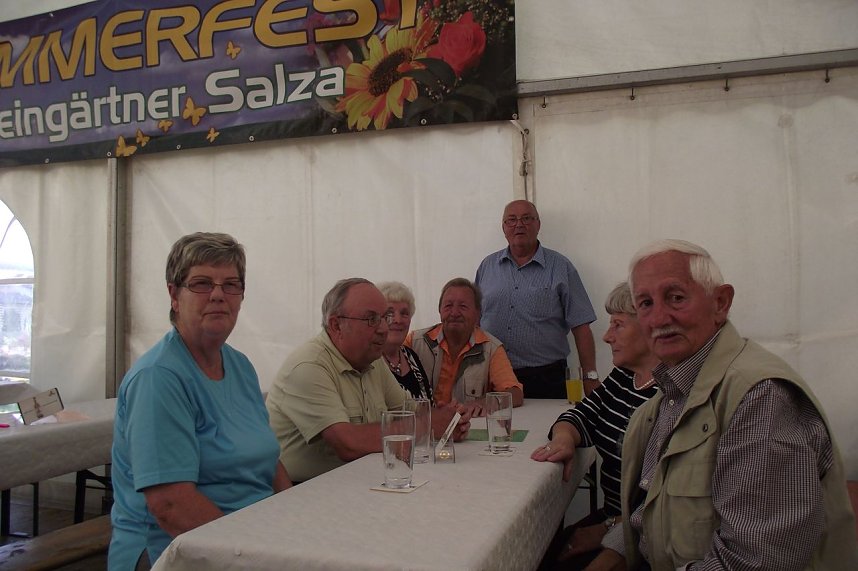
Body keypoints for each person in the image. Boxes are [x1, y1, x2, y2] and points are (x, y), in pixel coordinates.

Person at [595, 239, 858, 571]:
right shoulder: (675, 389)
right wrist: (615, 548)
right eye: (645, 303)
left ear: (720, 302)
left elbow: (755, 561)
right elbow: (654, 506)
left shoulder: (760, 398)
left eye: (676, 298)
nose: (659, 317)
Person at [109, 232, 291, 570]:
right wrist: (256, 555)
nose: (219, 295)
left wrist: (292, 521)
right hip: (177, 551)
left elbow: (271, 462)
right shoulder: (159, 377)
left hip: (250, 538)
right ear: (174, 295)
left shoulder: (239, 365)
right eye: (202, 283)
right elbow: (171, 506)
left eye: (231, 284)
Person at [266, 278, 469, 483]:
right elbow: (348, 443)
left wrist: (450, 420)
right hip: (305, 492)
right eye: (371, 319)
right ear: (336, 325)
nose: (383, 328)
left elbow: (412, 411)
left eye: (384, 317)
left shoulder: (371, 360)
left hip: (362, 482)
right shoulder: (309, 366)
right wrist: (429, 427)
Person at [531, 282, 659, 570]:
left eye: (618, 325)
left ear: (650, 328)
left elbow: (663, 504)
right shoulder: (626, 376)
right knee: (543, 548)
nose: (606, 336)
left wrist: (607, 529)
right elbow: (582, 414)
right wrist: (564, 439)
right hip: (612, 519)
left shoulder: (672, 393)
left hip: (645, 538)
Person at [475, 199, 599, 399]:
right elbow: (473, 323)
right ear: (503, 227)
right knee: (496, 430)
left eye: (526, 218)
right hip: (494, 376)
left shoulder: (561, 267)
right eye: (511, 220)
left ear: (538, 224)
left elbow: (581, 326)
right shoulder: (487, 267)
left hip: (547, 377)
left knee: (547, 429)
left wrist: (590, 376)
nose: (519, 224)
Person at [407, 278, 524, 416]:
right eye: (448, 306)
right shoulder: (414, 341)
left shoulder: (491, 349)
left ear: (477, 313)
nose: (454, 313)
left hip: (468, 427)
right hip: (424, 426)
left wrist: (483, 403)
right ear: (439, 310)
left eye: (463, 306)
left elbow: (515, 394)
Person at [377, 281, 433, 400]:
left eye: (404, 313)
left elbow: (428, 404)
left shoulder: (411, 356)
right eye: (390, 313)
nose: (398, 320)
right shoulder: (369, 361)